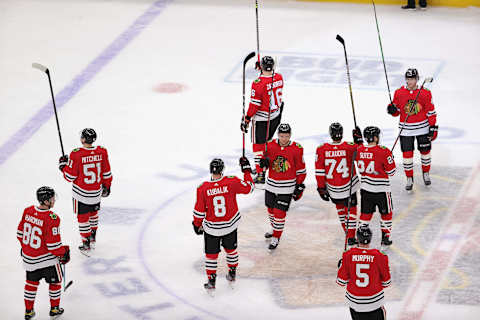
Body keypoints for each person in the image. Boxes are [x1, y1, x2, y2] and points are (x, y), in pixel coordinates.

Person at [192, 157, 254, 294]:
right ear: (223, 170)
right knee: (231, 251)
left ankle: (211, 281)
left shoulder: (203, 188)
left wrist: (196, 224)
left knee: (211, 255)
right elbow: (250, 188)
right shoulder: (232, 181)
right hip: (230, 226)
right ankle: (232, 273)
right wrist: (246, 171)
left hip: (212, 229)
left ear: (210, 171)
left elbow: (199, 211)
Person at [17, 186, 70, 320]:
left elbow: (19, 233)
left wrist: (26, 248)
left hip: (29, 259)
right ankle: (54, 309)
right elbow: (53, 246)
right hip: (47, 260)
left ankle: (28, 311)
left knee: (31, 283)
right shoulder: (52, 218)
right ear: (46, 201)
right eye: (52, 198)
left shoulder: (28, 211)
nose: (54, 200)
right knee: (55, 283)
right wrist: (63, 252)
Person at [58, 128, 112, 255]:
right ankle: (92, 237)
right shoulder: (102, 151)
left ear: (83, 139)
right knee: (93, 214)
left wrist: (63, 166)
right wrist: (107, 186)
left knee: (83, 218)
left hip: (81, 194)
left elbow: (70, 177)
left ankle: (86, 243)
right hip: (96, 192)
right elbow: (107, 172)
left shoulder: (76, 154)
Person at [387, 68, 438, 191]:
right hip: (406, 130)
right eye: (408, 79)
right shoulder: (399, 93)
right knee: (407, 155)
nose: (410, 81)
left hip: (423, 128)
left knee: (425, 153)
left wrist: (433, 127)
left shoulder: (425, 93)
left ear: (417, 79)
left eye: (412, 79)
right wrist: (391, 110)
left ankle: (426, 174)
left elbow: (431, 111)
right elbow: (397, 110)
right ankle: (409, 178)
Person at [259, 123, 306, 250]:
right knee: (271, 211)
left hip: (287, 187)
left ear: (290, 135)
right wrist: (262, 163)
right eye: (281, 135)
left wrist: (299, 185)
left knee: (279, 213)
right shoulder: (270, 145)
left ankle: (276, 237)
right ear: (278, 135)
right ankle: (275, 229)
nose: (284, 138)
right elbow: (264, 165)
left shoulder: (297, 148)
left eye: (286, 136)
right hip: (271, 186)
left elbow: (301, 170)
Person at [315, 123, 363, 246]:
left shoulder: (321, 149)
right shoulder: (350, 147)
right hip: (349, 186)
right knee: (351, 211)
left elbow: (320, 171)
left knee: (341, 211)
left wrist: (321, 188)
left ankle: (348, 234)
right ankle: (351, 236)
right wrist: (359, 142)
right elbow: (363, 158)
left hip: (333, 189)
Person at [241, 56, 284, 184]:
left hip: (262, 120)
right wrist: (262, 70)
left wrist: (247, 119)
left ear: (262, 67)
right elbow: (269, 81)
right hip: (275, 116)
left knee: (258, 146)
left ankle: (260, 174)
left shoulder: (258, 83)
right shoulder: (279, 77)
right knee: (267, 143)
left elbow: (255, 105)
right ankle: (264, 166)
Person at [337, 225, 391, 320]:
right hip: (375, 303)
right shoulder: (379, 256)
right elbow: (387, 282)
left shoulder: (348, 255)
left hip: (355, 305)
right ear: (370, 238)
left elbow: (341, 282)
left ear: (357, 239)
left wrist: (341, 265)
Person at [356, 126, 396, 246]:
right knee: (386, 214)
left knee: (365, 213)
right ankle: (385, 238)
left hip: (365, 189)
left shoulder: (359, 150)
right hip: (382, 190)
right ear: (375, 137)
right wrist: (389, 159)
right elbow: (392, 172)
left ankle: (361, 236)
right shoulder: (384, 151)